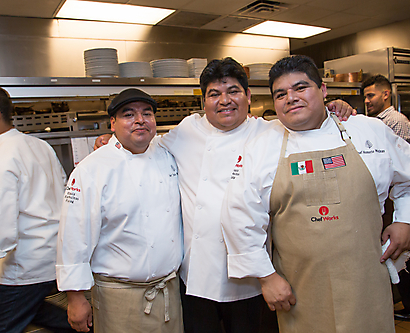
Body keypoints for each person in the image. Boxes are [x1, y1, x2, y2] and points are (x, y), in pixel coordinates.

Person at [94, 57, 356, 333]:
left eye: (233, 91)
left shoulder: (272, 132)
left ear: (248, 96)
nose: (224, 100)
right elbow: (143, 143)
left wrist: (334, 109)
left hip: (254, 278)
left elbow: (314, 129)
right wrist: (110, 141)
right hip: (196, 275)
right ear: (203, 101)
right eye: (214, 94)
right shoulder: (186, 131)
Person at [221, 55, 410, 333]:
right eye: (280, 93)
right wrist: (266, 277)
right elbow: (238, 215)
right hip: (299, 290)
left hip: (365, 281)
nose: (291, 98)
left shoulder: (368, 131)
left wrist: (407, 220)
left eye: (301, 88)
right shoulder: (262, 146)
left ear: (322, 90)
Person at [56, 88, 183, 333]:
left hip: (169, 291)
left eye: (147, 113)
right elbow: (73, 236)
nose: (140, 120)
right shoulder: (91, 169)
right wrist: (75, 297)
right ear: (112, 123)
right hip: (118, 297)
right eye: (129, 114)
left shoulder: (167, 156)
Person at [0, 86, 73, 333]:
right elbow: (64, 195)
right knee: (46, 316)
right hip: (51, 257)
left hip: (24, 266)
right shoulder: (39, 145)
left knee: (0, 329)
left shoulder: (1, 158)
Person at [363, 74, 410, 321]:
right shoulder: (371, 121)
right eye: (365, 96)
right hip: (387, 197)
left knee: (402, 252)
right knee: (398, 251)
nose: (367, 101)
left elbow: (395, 164)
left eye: (371, 95)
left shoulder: (394, 121)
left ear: (386, 94)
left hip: (394, 197)